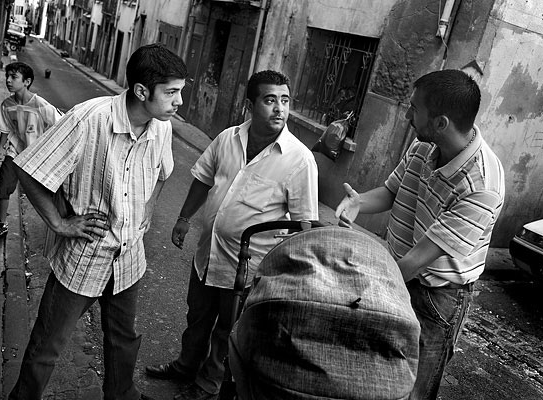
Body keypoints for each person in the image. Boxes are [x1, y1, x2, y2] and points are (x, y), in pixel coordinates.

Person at [8, 43, 188, 400]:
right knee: (47, 346)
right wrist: (60, 223)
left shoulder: (162, 128)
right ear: (141, 91)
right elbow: (28, 168)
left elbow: (163, 171)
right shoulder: (89, 119)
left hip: (129, 259)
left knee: (123, 340)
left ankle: (122, 395)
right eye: (171, 92)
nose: (179, 101)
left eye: (180, 91)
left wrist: (148, 209)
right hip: (83, 258)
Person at [145, 70, 319, 400]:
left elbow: (304, 226)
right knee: (196, 317)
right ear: (249, 104)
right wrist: (183, 218)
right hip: (208, 254)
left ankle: (206, 387)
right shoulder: (228, 138)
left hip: (249, 269)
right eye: (270, 100)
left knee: (228, 330)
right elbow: (203, 178)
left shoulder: (300, 160)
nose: (279, 109)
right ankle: (185, 365)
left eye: (285, 101)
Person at [335, 69, 505, 400]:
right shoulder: (422, 146)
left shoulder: (482, 186)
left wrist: (359, 290)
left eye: (414, 108)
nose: (408, 114)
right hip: (401, 274)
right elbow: (391, 192)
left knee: (413, 390)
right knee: (377, 373)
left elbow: (414, 263)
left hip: (437, 297)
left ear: (440, 123)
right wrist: (359, 202)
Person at [0, 61, 62, 242]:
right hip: (16, 151)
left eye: (14, 77)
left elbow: (61, 124)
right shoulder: (6, 104)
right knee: (3, 185)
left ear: (26, 82)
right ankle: (1, 225)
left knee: (46, 194)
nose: (8, 80)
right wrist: (0, 149)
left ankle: (59, 228)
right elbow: (5, 128)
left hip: (36, 156)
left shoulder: (41, 105)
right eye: (8, 76)